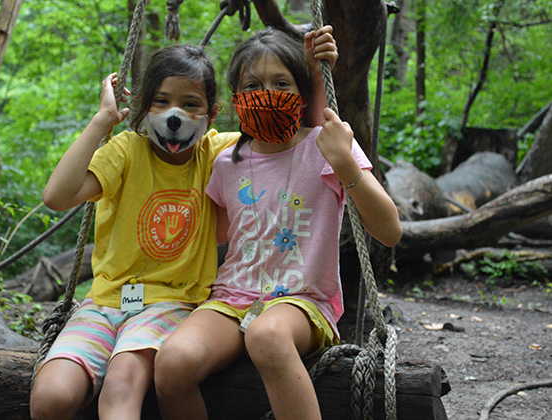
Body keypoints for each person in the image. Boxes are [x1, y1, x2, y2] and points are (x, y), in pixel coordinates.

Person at [154, 27, 402, 420]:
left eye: (281, 83)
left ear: (301, 93)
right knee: (172, 363)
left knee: (266, 334)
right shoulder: (226, 163)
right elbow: (217, 237)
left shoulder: (326, 147)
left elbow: (389, 231)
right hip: (231, 299)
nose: (266, 93)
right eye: (253, 84)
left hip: (302, 302)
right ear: (236, 98)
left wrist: (344, 163)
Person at [30, 44, 239, 420]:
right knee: (50, 397)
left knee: (121, 386)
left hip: (171, 303)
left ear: (212, 113)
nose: (176, 114)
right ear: (144, 107)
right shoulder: (126, 151)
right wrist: (102, 121)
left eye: (191, 104)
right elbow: (57, 196)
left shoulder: (215, 152)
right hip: (105, 302)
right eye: (161, 101)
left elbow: (283, 135)